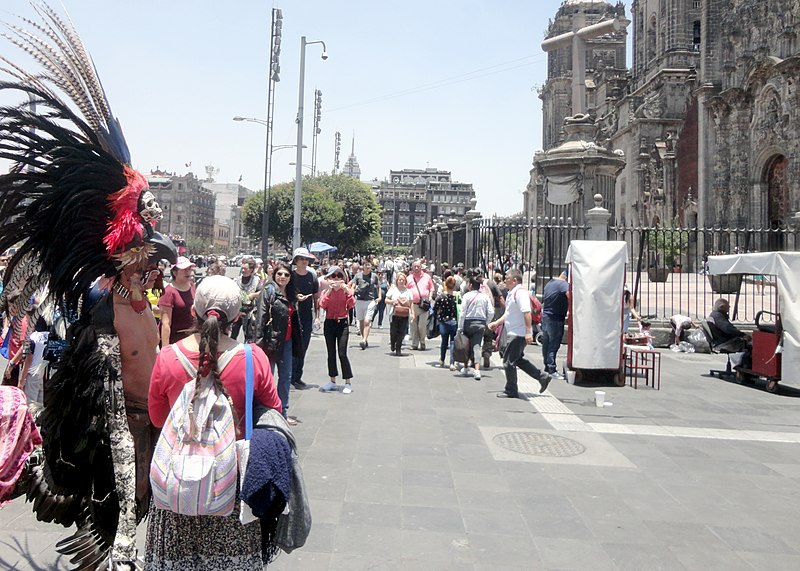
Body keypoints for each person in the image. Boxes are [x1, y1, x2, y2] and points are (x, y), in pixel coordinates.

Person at [0, 7, 180, 564]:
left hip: (149, 418)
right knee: (123, 509)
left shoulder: (144, 301)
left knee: (142, 503)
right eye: (147, 259)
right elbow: (93, 383)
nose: (157, 268)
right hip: (116, 424)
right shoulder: (104, 312)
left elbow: (156, 344)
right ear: (126, 261)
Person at [146, 275, 282, 570]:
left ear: (194, 310)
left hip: (176, 486)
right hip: (229, 486)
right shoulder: (252, 357)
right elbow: (274, 411)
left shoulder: (168, 357)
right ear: (236, 317)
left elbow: (157, 418)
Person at [489, 269, 552, 398]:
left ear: (514, 280)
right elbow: (508, 314)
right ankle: (542, 377)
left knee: (508, 361)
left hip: (518, 333)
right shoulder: (512, 293)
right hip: (514, 331)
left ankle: (511, 390)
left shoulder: (520, 293)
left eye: (507, 278)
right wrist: (497, 323)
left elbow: (527, 312)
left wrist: (528, 332)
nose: (504, 280)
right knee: (517, 359)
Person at [256, 262, 302, 426]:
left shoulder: (291, 293)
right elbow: (261, 316)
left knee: (285, 377)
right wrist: (258, 343)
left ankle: (282, 412)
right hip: (270, 341)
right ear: (274, 274)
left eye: (286, 275)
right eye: (279, 274)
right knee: (266, 377)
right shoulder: (268, 290)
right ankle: (263, 411)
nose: (282, 277)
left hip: (287, 341)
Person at [319, 266, 356, 393]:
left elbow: (351, 304)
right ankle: (332, 380)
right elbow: (322, 304)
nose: (336, 279)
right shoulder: (326, 292)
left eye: (339, 276)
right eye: (333, 276)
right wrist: (329, 291)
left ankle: (348, 382)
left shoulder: (346, 290)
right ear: (329, 278)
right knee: (331, 353)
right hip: (329, 323)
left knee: (342, 353)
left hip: (342, 323)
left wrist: (347, 291)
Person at [291, 248, 320, 390]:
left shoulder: (312, 277)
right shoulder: (290, 276)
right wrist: (296, 297)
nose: (304, 261)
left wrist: (318, 317)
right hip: (292, 316)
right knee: (291, 347)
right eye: (301, 258)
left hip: (307, 317)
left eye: (306, 259)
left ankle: (297, 376)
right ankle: (290, 376)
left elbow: (316, 298)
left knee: (303, 347)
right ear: (296, 260)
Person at [457, 274, 493, 380]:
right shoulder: (485, 297)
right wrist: (486, 322)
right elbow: (491, 312)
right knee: (477, 346)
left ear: (471, 285)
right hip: (480, 323)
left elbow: (462, 312)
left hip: (468, 322)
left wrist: (460, 327)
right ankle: (477, 370)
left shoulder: (467, 296)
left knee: (466, 345)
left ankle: (466, 367)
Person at [158, 256, 196, 347]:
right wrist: (165, 348)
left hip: (190, 338)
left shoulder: (192, 286)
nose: (188, 272)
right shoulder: (168, 292)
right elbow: (166, 323)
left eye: (189, 269)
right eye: (184, 270)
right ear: (175, 272)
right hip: (174, 339)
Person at [707, 298, 752, 367]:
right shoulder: (718, 317)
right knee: (751, 346)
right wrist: (742, 335)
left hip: (720, 341)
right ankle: (744, 367)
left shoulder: (714, 315)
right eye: (728, 306)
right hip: (725, 343)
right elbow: (728, 329)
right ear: (721, 307)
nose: (729, 307)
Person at [541, 270, 569, 378]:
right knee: (554, 344)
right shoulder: (563, 284)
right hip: (556, 318)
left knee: (546, 343)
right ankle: (552, 368)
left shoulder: (550, 283)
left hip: (546, 316)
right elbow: (569, 295)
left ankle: (547, 367)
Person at [231, 256, 263, 343]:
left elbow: (261, 292)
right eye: (242, 268)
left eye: (245, 268)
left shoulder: (256, 280)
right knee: (232, 335)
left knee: (249, 337)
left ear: (251, 269)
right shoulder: (236, 280)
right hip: (237, 312)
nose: (243, 270)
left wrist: (254, 295)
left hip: (250, 312)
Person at [406, 259, 434, 351]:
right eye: (415, 267)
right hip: (413, 305)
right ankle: (414, 344)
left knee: (421, 326)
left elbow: (431, 288)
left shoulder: (427, 277)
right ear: (412, 268)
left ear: (421, 267)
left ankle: (422, 342)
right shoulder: (409, 278)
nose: (417, 268)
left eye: (418, 266)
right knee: (413, 326)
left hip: (424, 305)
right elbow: (405, 290)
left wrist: (430, 297)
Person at [354, 259, 381, 349]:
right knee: (361, 321)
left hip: (370, 301)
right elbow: (353, 285)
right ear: (362, 266)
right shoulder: (358, 276)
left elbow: (378, 287)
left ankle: (364, 339)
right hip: (359, 300)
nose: (368, 267)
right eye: (366, 265)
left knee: (367, 321)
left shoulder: (374, 276)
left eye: (369, 265)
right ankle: (363, 337)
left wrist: (379, 297)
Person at [386, 272, 414, 356]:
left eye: (403, 280)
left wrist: (413, 313)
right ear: (397, 281)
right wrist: (392, 301)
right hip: (395, 314)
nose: (401, 281)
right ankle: (392, 342)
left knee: (402, 332)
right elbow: (386, 300)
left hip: (405, 315)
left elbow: (411, 303)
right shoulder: (393, 290)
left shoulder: (408, 291)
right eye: (400, 279)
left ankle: (398, 348)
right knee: (394, 331)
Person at [434, 275, 459, 370]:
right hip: (454, 321)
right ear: (454, 285)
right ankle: (452, 363)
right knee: (453, 342)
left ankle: (442, 359)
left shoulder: (441, 297)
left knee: (444, 341)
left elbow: (435, 308)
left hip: (443, 321)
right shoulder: (457, 296)